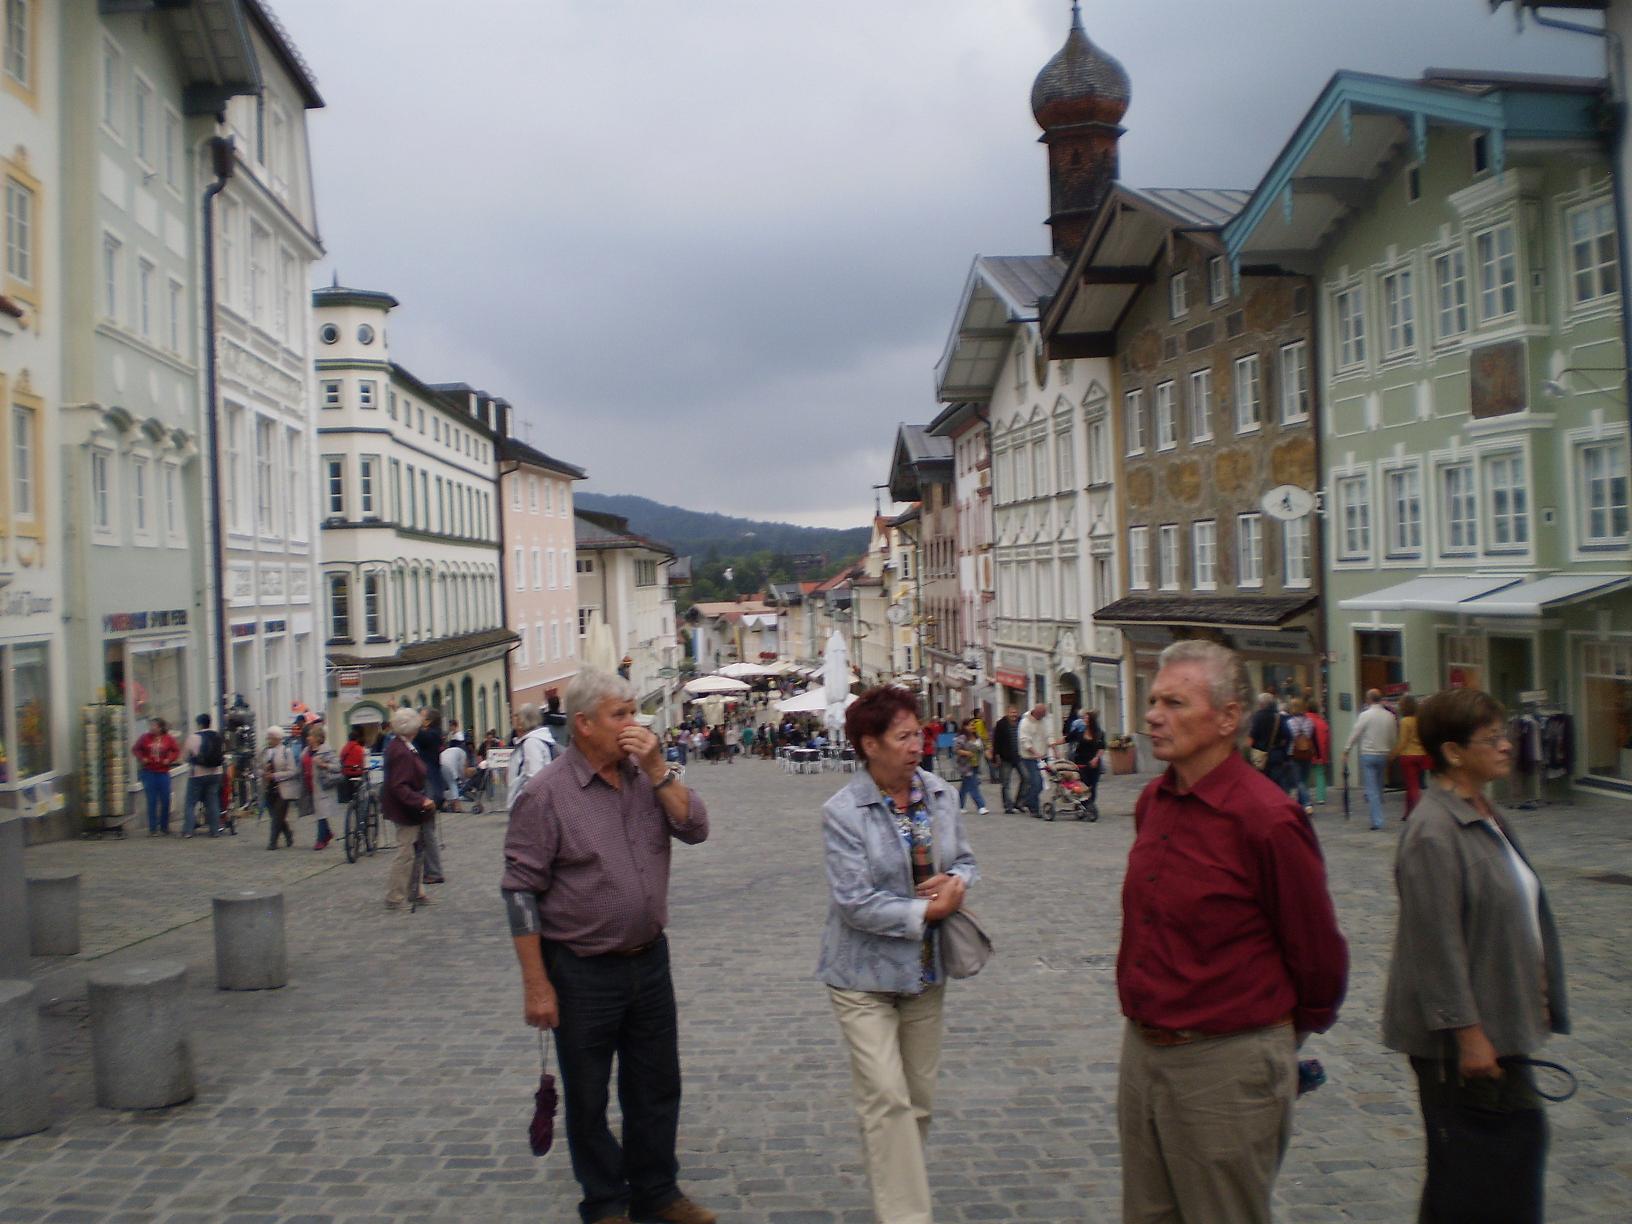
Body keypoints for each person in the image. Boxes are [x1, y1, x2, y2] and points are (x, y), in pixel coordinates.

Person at [1118, 641, 1348, 1224]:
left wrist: (1271, 1045)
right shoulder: (1155, 801)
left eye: (1174, 702)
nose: (1153, 715)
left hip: (1225, 1063)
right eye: (1152, 700)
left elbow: (1318, 955)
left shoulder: (1266, 819)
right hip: (1145, 1055)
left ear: (1226, 718)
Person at [501, 669, 715, 1224]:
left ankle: (657, 1192)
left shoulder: (647, 777)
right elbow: (521, 890)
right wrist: (536, 983)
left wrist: (661, 770)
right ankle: (604, 1200)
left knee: (657, 1086)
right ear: (584, 724)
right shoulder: (546, 795)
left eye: (633, 712)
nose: (633, 724)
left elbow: (695, 828)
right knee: (589, 1096)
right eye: (620, 714)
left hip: (649, 959)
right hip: (581, 970)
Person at [1381, 688, 1569, 1224]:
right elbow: (1435, 945)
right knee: (1474, 1178)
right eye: (1492, 739)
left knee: (1505, 1167)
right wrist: (1469, 1035)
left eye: (1504, 734)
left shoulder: (1484, 812)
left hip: (1501, 1027)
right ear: (1454, 752)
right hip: (1465, 1046)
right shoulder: (1433, 833)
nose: (1507, 746)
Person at [818, 685, 978, 1224]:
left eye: (919, 733)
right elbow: (855, 902)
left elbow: (968, 861)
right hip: (861, 976)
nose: (918, 745)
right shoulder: (843, 812)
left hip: (926, 973)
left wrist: (956, 882)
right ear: (870, 745)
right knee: (886, 1097)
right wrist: (924, 913)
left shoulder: (940, 793)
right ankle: (907, 1216)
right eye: (904, 736)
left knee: (918, 1100)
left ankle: (897, 1187)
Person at [382, 707, 434, 908]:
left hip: (407, 806)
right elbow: (399, 785)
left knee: (414, 849)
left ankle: (415, 890)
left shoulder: (400, 746)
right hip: (405, 808)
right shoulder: (401, 751)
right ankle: (395, 895)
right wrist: (419, 800)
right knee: (406, 852)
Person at [1345, 688, 1399, 830]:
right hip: (1384, 753)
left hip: (1368, 754)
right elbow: (1393, 736)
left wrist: (1347, 749)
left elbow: (1355, 732)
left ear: (1369, 700)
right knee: (1379, 786)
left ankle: (1377, 820)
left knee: (1372, 788)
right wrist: (1393, 751)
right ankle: (1375, 804)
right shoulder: (1390, 716)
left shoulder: (1365, 715)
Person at [133, 717, 181, 836]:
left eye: (154, 725)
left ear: (160, 727)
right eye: (150, 725)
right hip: (149, 772)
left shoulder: (168, 739)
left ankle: (164, 826)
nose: (151, 728)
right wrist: (142, 758)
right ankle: (153, 828)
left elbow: (176, 751)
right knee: (152, 800)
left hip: (163, 772)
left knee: (165, 800)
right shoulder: (145, 738)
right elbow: (136, 749)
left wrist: (169, 759)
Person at [180, 713, 225, 839]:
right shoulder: (217, 736)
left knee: (190, 803)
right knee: (212, 801)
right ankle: (215, 830)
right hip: (215, 772)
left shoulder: (193, 737)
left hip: (197, 774)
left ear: (199, 724)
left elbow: (184, 757)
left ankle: (188, 830)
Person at [508, 704, 558, 806]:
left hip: (528, 807)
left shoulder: (531, 743)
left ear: (522, 721)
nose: (514, 718)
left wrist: (525, 804)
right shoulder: (535, 740)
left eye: (516, 715)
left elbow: (534, 778)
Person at [1392, 694, 1432, 818]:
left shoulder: (1405, 721)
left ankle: (1416, 811)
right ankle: (1408, 812)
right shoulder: (1420, 720)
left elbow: (1403, 741)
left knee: (1412, 786)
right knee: (1414, 785)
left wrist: (1393, 754)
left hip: (1409, 756)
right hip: (1422, 755)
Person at [306, 724, 341, 851]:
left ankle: (320, 839)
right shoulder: (307, 751)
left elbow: (337, 766)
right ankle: (327, 833)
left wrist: (324, 765)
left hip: (323, 787)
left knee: (321, 813)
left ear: (317, 737)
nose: (308, 738)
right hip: (311, 786)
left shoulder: (327, 750)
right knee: (319, 813)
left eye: (310, 735)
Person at [262, 726, 299, 849]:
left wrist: (275, 776)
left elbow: (292, 771)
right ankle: (288, 833)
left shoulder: (286, 751)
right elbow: (257, 767)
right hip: (269, 788)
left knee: (277, 815)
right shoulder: (265, 752)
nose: (269, 740)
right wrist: (263, 772)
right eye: (268, 737)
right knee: (275, 815)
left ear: (278, 738)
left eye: (271, 738)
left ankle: (272, 842)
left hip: (283, 789)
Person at [1018, 703, 1050, 818]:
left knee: (1043, 783)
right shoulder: (1025, 723)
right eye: (1042, 714)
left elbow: (1047, 736)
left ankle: (1028, 800)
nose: (1044, 716)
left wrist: (1053, 747)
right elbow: (1025, 741)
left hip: (1043, 756)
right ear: (1037, 712)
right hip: (1029, 758)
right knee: (1036, 782)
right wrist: (1035, 753)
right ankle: (1034, 808)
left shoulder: (1043, 721)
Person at [1285, 697, 1316, 814]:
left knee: (1298, 781)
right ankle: (1301, 803)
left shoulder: (1289, 722)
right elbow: (1313, 737)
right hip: (1307, 753)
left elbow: (1287, 739)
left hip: (1294, 754)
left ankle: (1307, 803)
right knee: (1304, 779)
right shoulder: (1309, 722)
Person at [1072, 709, 1107, 811]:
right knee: (1083, 784)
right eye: (1084, 717)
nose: (1084, 719)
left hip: (1094, 763)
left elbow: (1101, 747)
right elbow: (1068, 738)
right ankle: (1084, 804)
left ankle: (1090, 805)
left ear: (1091, 720)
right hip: (1080, 762)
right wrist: (1054, 743)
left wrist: (1096, 758)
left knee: (1093, 785)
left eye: (1086, 718)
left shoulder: (1099, 733)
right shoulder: (1080, 731)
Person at [953, 720, 989, 815]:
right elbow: (956, 749)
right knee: (973, 785)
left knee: (965, 786)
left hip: (976, 764)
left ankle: (959, 805)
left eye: (974, 725)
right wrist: (966, 753)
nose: (973, 727)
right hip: (966, 765)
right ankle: (981, 806)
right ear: (965, 727)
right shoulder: (962, 737)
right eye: (971, 725)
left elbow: (982, 747)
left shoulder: (976, 737)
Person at [991, 706, 1021, 812]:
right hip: (1006, 757)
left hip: (1019, 756)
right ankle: (1008, 805)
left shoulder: (1021, 722)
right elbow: (996, 742)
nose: (1014, 715)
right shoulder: (1001, 724)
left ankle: (1019, 802)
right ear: (1007, 713)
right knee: (1006, 783)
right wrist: (995, 757)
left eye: (1015, 712)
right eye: (1012, 712)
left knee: (1027, 778)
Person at [1307, 699, 1332, 807]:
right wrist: (1326, 754)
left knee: (1305, 775)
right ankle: (1320, 797)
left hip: (1305, 752)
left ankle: (1305, 797)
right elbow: (1328, 740)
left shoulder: (1304, 720)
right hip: (1320, 753)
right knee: (1320, 775)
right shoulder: (1323, 723)